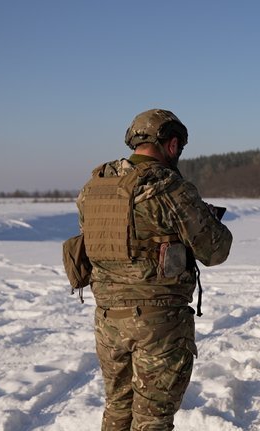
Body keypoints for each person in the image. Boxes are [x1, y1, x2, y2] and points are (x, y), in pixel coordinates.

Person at [76, 108, 233, 430]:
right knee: (152, 421)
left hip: (108, 320)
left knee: (117, 409)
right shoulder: (169, 187)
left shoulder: (94, 186)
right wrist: (204, 216)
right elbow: (216, 250)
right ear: (171, 144)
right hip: (157, 323)